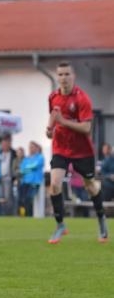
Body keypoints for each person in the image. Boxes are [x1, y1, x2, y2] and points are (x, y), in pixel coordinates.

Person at [46, 61, 108, 243]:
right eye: (60, 75)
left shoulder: (82, 99)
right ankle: (60, 226)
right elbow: (53, 117)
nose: (63, 78)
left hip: (82, 150)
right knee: (55, 184)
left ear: (74, 76)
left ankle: (102, 220)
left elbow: (87, 128)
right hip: (60, 147)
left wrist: (63, 122)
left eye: (67, 74)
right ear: (57, 77)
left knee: (91, 186)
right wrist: (50, 129)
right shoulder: (52, 97)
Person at [18, 141, 44, 217]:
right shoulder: (26, 159)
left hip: (35, 182)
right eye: (30, 147)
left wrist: (28, 168)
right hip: (25, 182)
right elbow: (22, 170)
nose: (30, 149)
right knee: (22, 200)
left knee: (29, 199)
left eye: (32, 147)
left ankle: (30, 216)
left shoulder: (40, 157)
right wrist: (30, 168)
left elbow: (35, 166)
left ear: (36, 148)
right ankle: (23, 216)